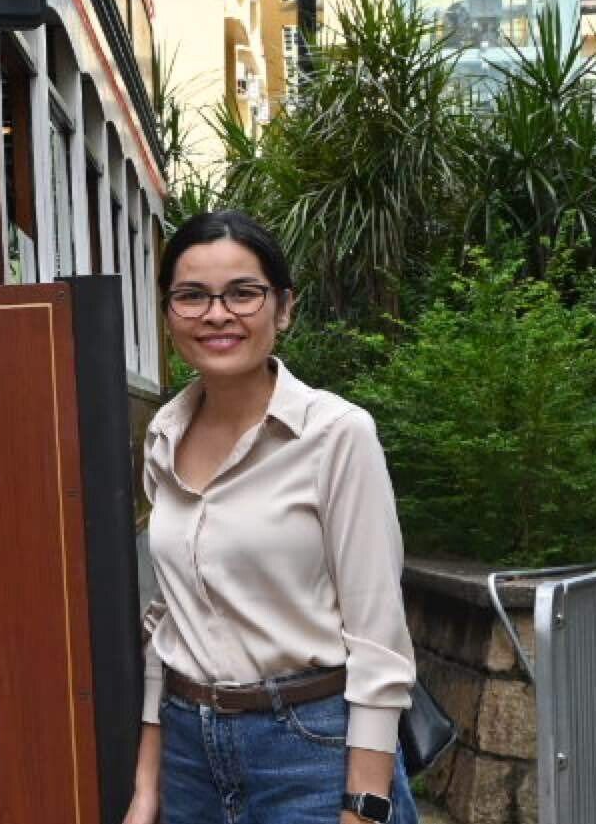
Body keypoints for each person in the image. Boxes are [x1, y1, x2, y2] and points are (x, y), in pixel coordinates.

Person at [124, 209, 418, 824]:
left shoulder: (336, 434)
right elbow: (168, 622)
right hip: (187, 756)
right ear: (169, 312)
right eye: (192, 296)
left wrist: (363, 807)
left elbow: (378, 638)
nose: (217, 314)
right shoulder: (162, 437)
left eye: (243, 293)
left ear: (284, 308)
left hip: (309, 749)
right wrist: (147, 788)